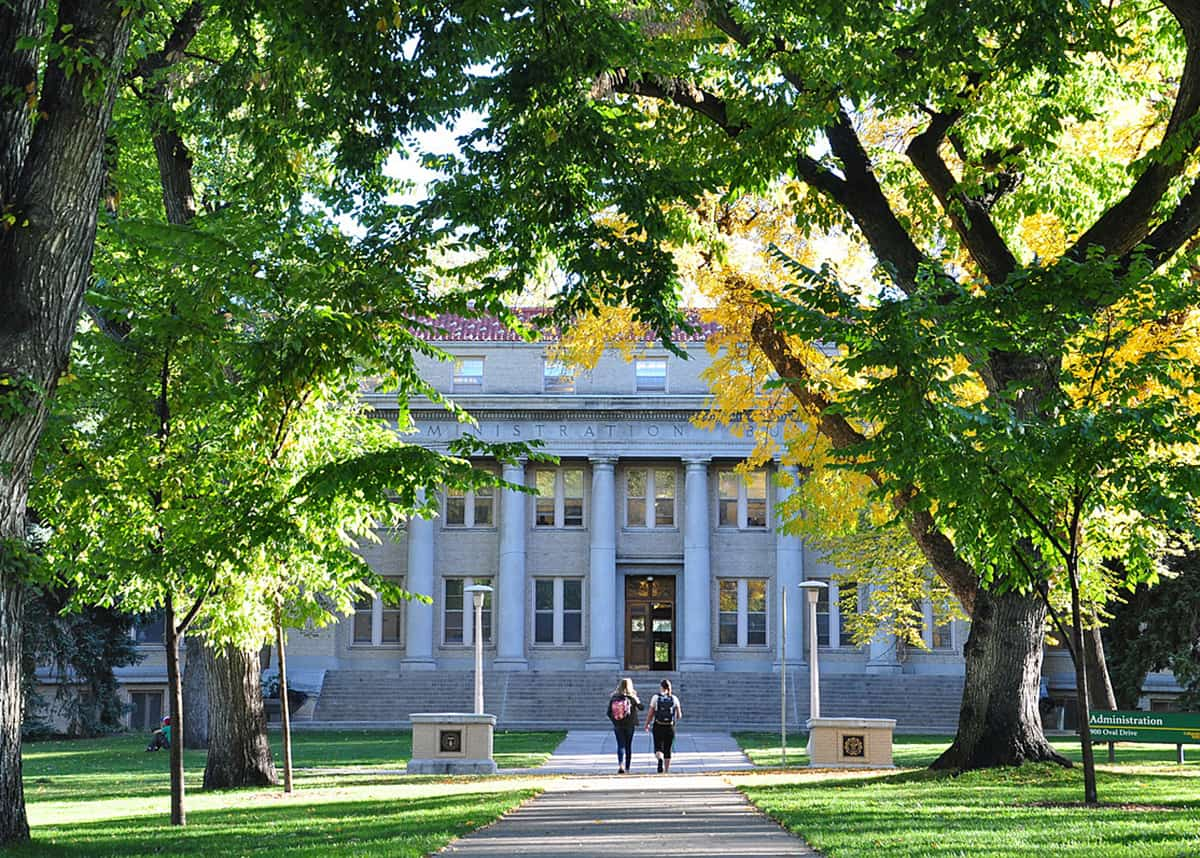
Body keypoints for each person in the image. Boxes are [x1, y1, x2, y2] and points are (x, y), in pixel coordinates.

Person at [606, 678, 643, 774]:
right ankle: (627, 768)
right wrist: (637, 700)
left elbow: (608, 713)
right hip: (630, 725)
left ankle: (620, 765)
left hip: (618, 725)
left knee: (620, 745)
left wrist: (615, 721)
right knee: (628, 746)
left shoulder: (614, 697)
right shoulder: (632, 698)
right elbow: (641, 708)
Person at [644, 678, 681, 773]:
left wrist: (647, 724)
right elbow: (679, 715)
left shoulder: (655, 698)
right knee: (668, 749)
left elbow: (650, 713)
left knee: (658, 747)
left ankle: (659, 759)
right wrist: (674, 719)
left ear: (661, 687)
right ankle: (666, 770)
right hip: (670, 726)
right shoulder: (674, 698)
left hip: (658, 725)